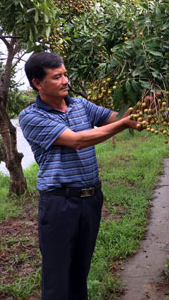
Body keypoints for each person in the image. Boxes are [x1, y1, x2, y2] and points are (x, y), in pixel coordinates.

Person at [19, 52, 141, 300]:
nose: (65, 81)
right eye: (57, 77)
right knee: (57, 276)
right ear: (37, 83)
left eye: (65, 74)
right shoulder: (31, 116)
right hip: (59, 203)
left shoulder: (80, 105)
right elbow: (76, 141)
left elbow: (115, 117)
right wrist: (126, 123)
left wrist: (145, 103)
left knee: (80, 271)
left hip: (91, 199)